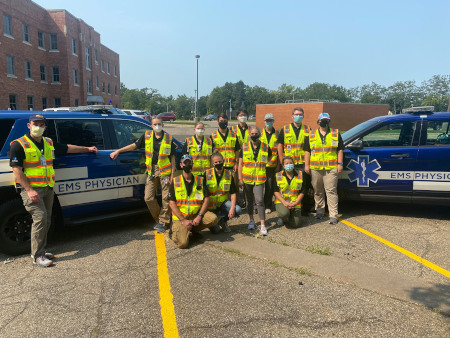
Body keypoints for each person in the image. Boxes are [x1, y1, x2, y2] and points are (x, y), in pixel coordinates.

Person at [10, 114, 98, 267]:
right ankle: (37, 255)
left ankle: (41, 251)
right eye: (35, 123)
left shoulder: (48, 142)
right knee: (41, 218)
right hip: (31, 189)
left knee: (47, 219)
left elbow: (67, 148)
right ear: (29, 125)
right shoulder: (19, 144)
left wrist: (87, 148)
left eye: (41, 124)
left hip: (47, 188)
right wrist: (29, 190)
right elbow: (17, 170)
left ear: (45, 127)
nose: (38, 127)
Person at [110, 118, 176, 232]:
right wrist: (118, 151)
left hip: (165, 172)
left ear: (163, 125)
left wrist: (172, 174)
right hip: (152, 171)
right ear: (151, 125)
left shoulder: (168, 138)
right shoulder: (147, 136)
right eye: (155, 124)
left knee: (166, 198)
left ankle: (163, 222)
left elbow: (173, 157)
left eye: (159, 124)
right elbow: (134, 146)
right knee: (148, 198)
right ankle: (159, 219)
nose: (157, 126)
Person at [169, 155, 218, 249]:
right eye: (185, 163)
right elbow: (171, 203)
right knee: (183, 244)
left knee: (213, 218)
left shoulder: (200, 180)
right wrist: (183, 220)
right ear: (181, 165)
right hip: (181, 218)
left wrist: (199, 216)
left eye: (189, 163)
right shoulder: (175, 181)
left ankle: (193, 229)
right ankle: (176, 230)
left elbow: (206, 199)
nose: (187, 165)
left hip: (195, 216)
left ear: (192, 164)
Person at [304, 113, 344, 225]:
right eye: (322, 120)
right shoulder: (311, 134)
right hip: (315, 168)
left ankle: (333, 215)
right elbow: (307, 151)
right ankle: (320, 211)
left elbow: (340, 150)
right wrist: (306, 165)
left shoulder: (335, 133)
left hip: (331, 168)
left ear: (329, 121)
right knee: (317, 190)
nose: (324, 122)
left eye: (326, 120)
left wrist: (340, 163)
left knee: (331, 191)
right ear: (318, 122)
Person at [277, 106, 312, 215]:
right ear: (292, 116)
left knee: (303, 186)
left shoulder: (307, 129)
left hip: (302, 164)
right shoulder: (285, 129)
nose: (298, 116)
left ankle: (304, 209)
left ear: (303, 116)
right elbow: (280, 145)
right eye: (296, 114)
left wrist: (307, 164)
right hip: (289, 164)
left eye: (300, 115)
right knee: (289, 186)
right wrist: (282, 160)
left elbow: (310, 148)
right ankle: (287, 207)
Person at [238, 126, 271, 235]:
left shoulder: (266, 147)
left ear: (260, 134)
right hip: (247, 179)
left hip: (260, 179)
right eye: (252, 134)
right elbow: (240, 164)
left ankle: (262, 224)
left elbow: (269, 158)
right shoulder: (244, 147)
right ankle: (251, 220)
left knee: (260, 200)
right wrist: (240, 178)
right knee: (249, 200)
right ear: (249, 134)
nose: (254, 135)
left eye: (256, 133)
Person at [204, 152, 242, 233]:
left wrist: (232, 208)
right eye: (216, 162)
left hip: (222, 202)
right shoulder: (206, 174)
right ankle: (216, 222)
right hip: (210, 205)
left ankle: (223, 221)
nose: (218, 163)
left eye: (220, 161)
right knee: (216, 231)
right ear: (212, 163)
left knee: (237, 210)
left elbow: (233, 193)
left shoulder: (228, 174)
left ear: (223, 161)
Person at [274, 156, 305, 228]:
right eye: (286, 163)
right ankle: (283, 217)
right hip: (282, 201)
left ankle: (290, 214)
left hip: (295, 201)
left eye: (290, 163)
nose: (289, 165)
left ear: (293, 164)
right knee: (284, 213)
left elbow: (303, 191)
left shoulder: (300, 174)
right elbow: (276, 191)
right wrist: (285, 203)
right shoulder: (278, 175)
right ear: (283, 166)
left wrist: (296, 202)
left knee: (296, 224)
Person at [260, 113, 279, 214]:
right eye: (267, 121)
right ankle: (258, 205)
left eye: (271, 120)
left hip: (272, 165)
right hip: (260, 165)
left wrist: (278, 165)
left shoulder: (278, 133)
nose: (269, 122)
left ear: (273, 121)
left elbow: (280, 150)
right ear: (264, 121)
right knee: (259, 186)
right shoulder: (259, 133)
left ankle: (268, 205)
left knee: (269, 186)